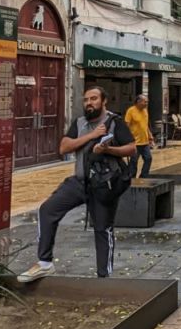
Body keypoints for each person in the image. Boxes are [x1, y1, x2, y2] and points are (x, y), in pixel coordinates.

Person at [19, 87, 135, 282]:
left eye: (94, 99)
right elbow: (64, 147)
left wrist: (107, 150)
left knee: (103, 229)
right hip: (79, 182)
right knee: (47, 209)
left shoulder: (115, 122)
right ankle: (45, 263)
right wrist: (91, 136)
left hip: (103, 185)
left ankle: (104, 278)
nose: (89, 103)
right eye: (86, 99)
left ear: (104, 101)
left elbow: (131, 149)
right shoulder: (79, 123)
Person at [124, 94, 154, 178]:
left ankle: (143, 176)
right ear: (138, 102)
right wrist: (127, 139)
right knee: (134, 161)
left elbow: (145, 125)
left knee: (148, 158)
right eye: (145, 102)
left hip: (144, 141)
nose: (146, 104)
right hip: (135, 142)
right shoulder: (131, 111)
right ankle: (132, 177)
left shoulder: (145, 111)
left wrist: (150, 136)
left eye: (147, 102)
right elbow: (126, 126)